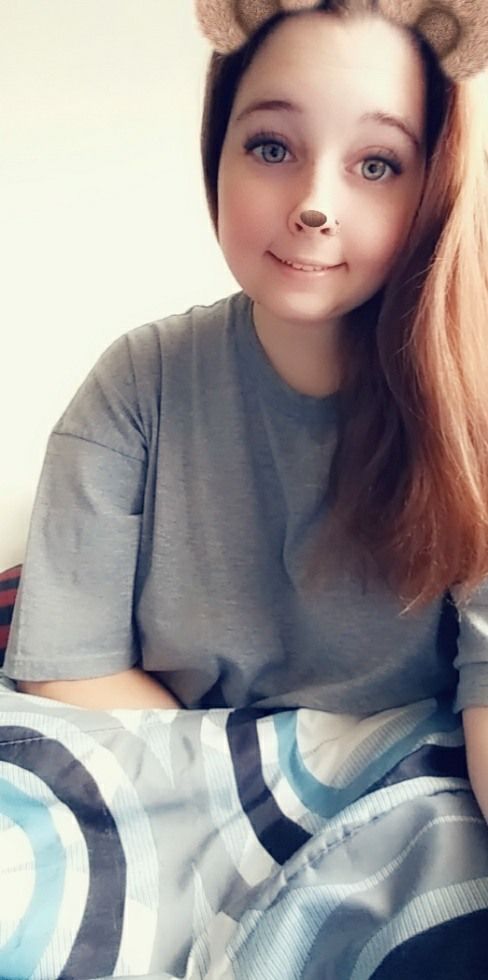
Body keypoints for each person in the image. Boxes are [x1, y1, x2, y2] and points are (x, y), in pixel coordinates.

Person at [4, 1, 488, 820]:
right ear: (217, 153)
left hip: (404, 816)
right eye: (272, 147)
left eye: (377, 164)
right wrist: (264, 796)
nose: (314, 204)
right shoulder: (139, 382)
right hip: (171, 807)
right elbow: (66, 674)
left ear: (434, 186)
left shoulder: (472, 407)